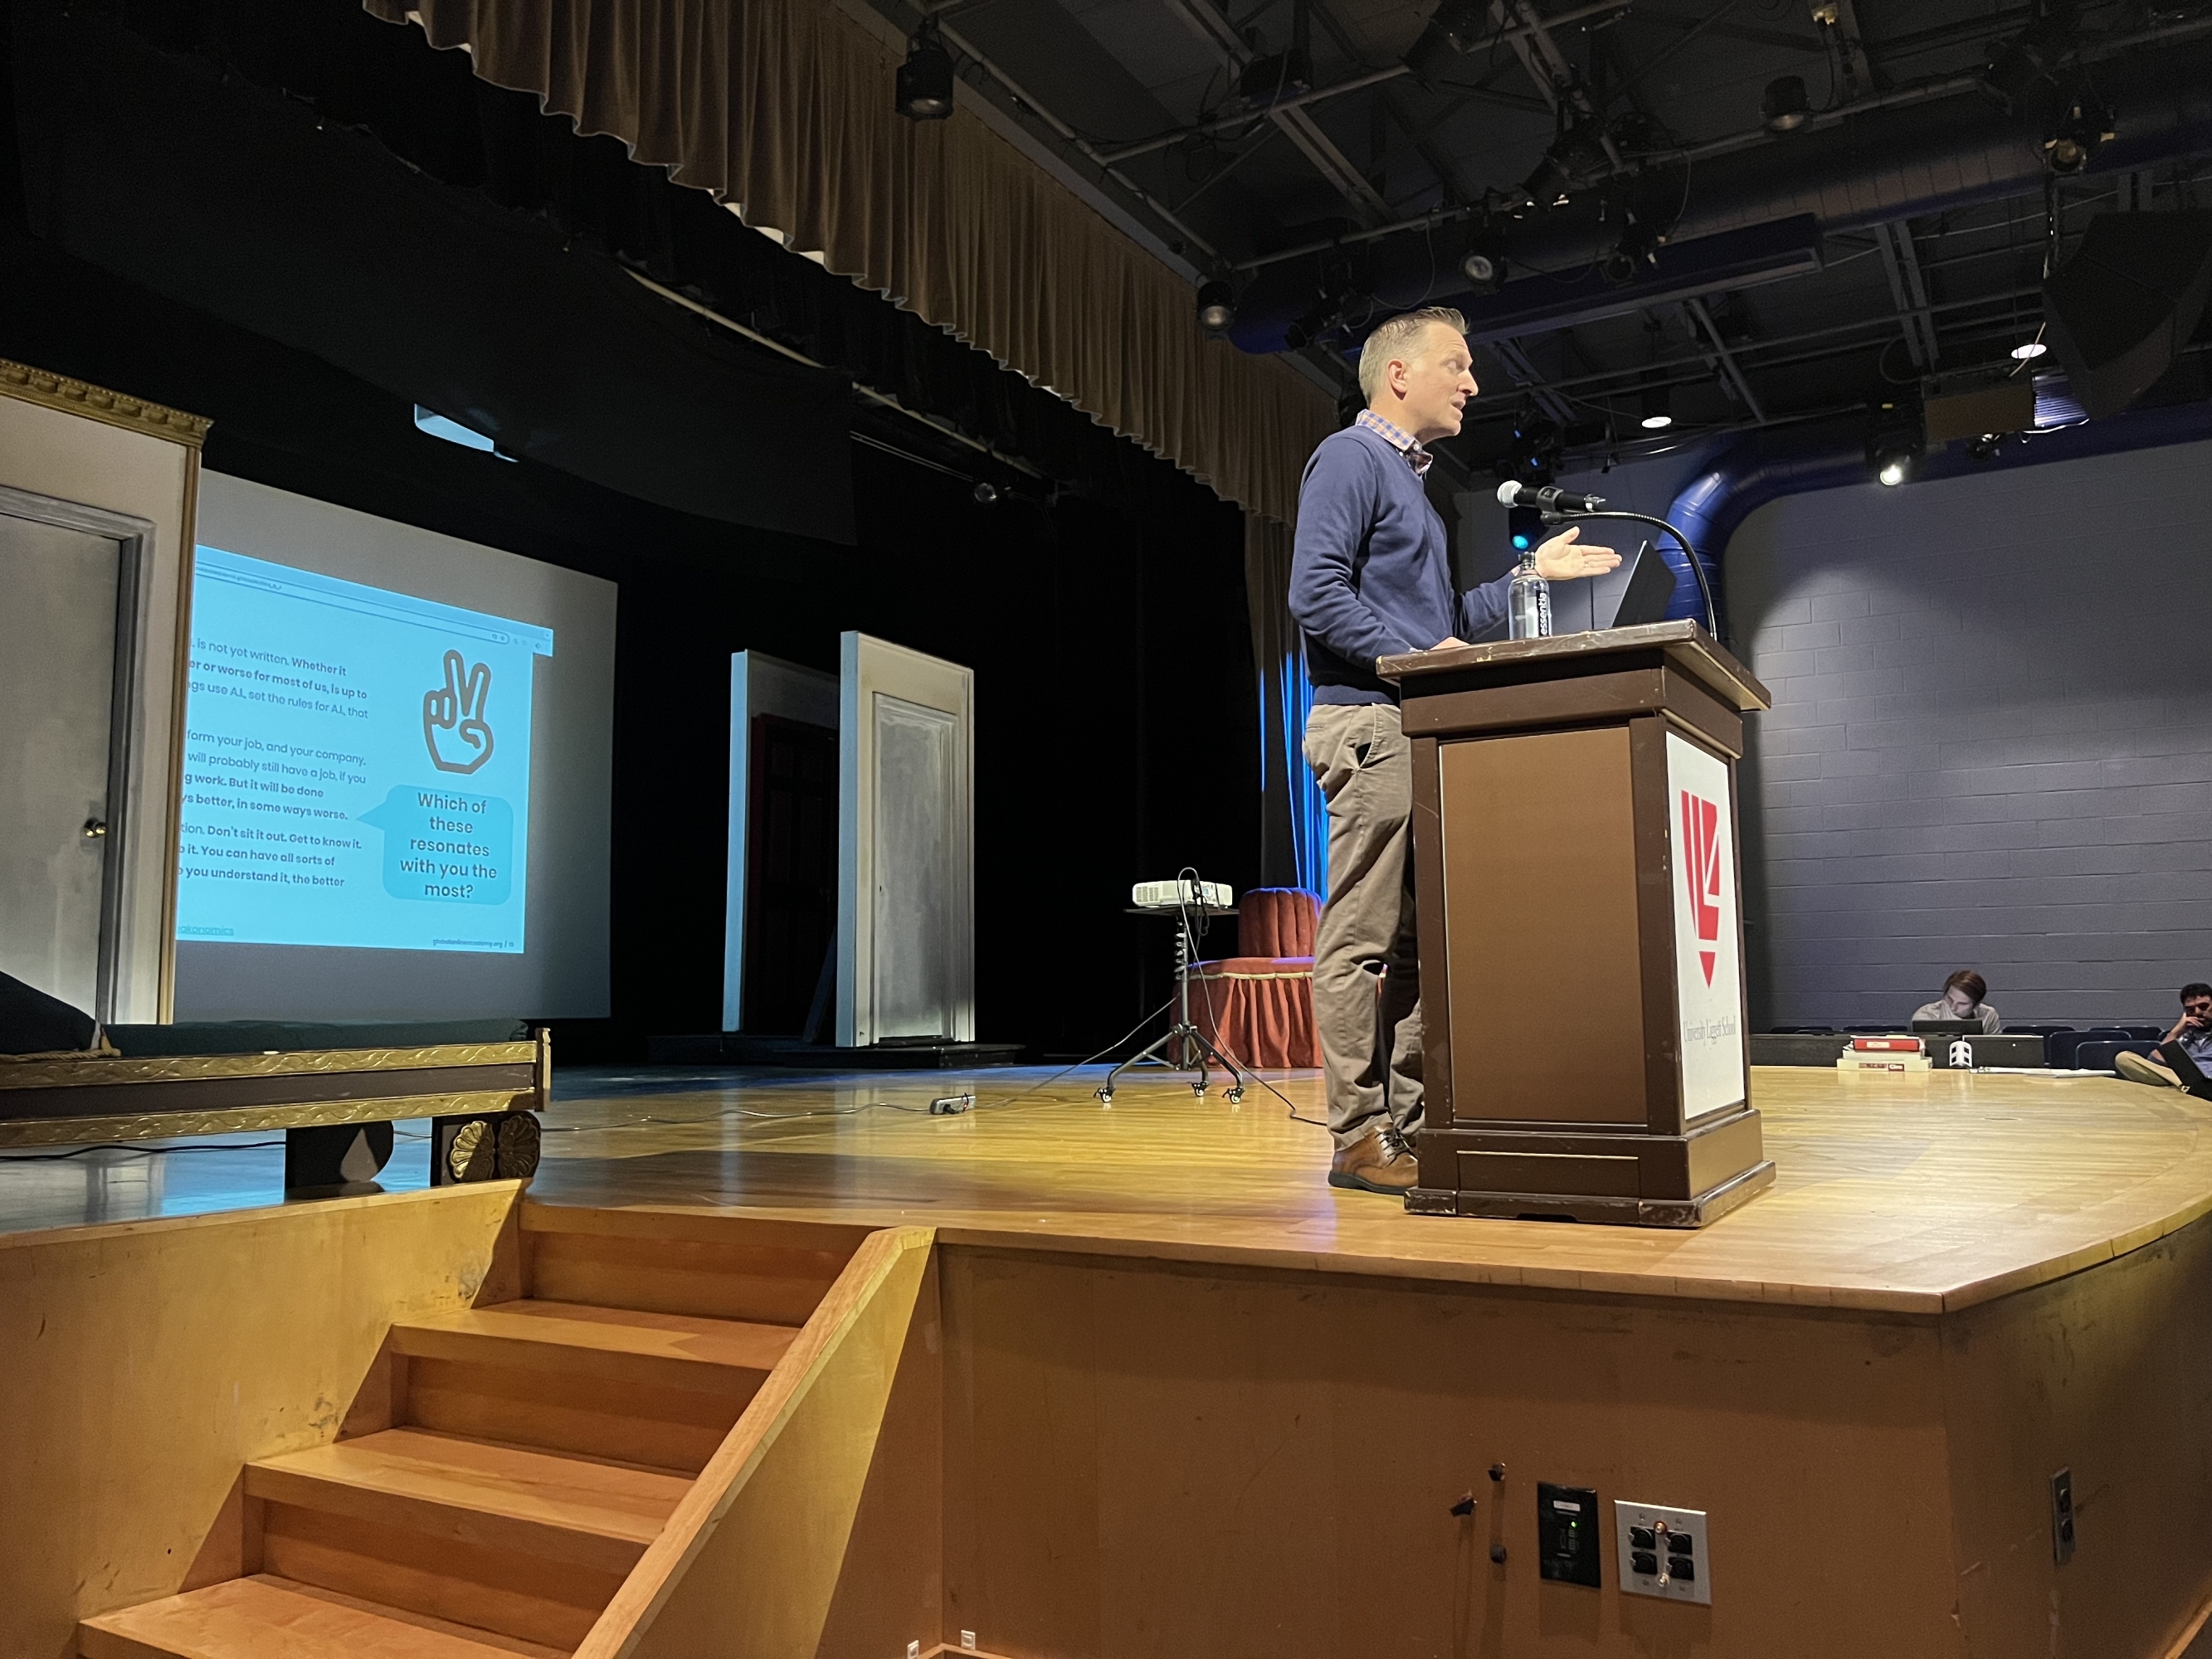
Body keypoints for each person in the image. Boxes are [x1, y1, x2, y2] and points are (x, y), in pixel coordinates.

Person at [1289, 307, 1620, 1196]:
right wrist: (1412, 657)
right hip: (1370, 722)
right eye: (1456, 364)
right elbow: (1314, 593)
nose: (1472, 383)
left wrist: (1526, 579)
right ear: (1398, 374)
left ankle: (1411, 1125)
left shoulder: (1416, 489)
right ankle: (1357, 1136)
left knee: (1421, 946)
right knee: (1361, 940)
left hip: (1417, 725)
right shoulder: (1351, 458)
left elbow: (1442, 627)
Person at [2115, 983, 2212, 1090]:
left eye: (2203, 1007)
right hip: (2180, 1082)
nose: (2197, 1012)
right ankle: (2187, 1087)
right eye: (2190, 1010)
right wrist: (2175, 1032)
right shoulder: (2183, 1037)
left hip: (2209, 1082)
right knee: (2123, 1058)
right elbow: (2154, 1062)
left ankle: (2191, 1087)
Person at [1910, 970, 2001, 1034]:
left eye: (1962, 1003)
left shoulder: (1988, 1015)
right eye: (1949, 999)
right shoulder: (1926, 1015)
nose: (1953, 1007)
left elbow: (1994, 1049)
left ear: (1976, 1005)